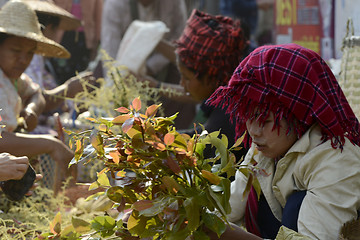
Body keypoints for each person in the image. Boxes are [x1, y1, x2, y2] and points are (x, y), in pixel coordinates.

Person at [204, 43, 360, 239]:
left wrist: (230, 235)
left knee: (295, 205)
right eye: (248, 117)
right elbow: (228, 207)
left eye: (265, 120)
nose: (253, 131)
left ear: (298, 114)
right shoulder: (264, 151)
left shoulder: (336, 159)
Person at [0, 0, 74, 194]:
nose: (23, 59)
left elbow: (36, 93)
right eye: (15, 51)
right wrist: (48, 144)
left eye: (30, 53)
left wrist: (32, 108)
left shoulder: (13, 78)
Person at [101, 0, 196, 129]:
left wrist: (150, 68)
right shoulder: (115, 4)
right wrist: (118, 78)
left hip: (164, 64)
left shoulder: (174, 3)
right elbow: (110, 49)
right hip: (124, 67)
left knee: (185, 86)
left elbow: (179, 41)